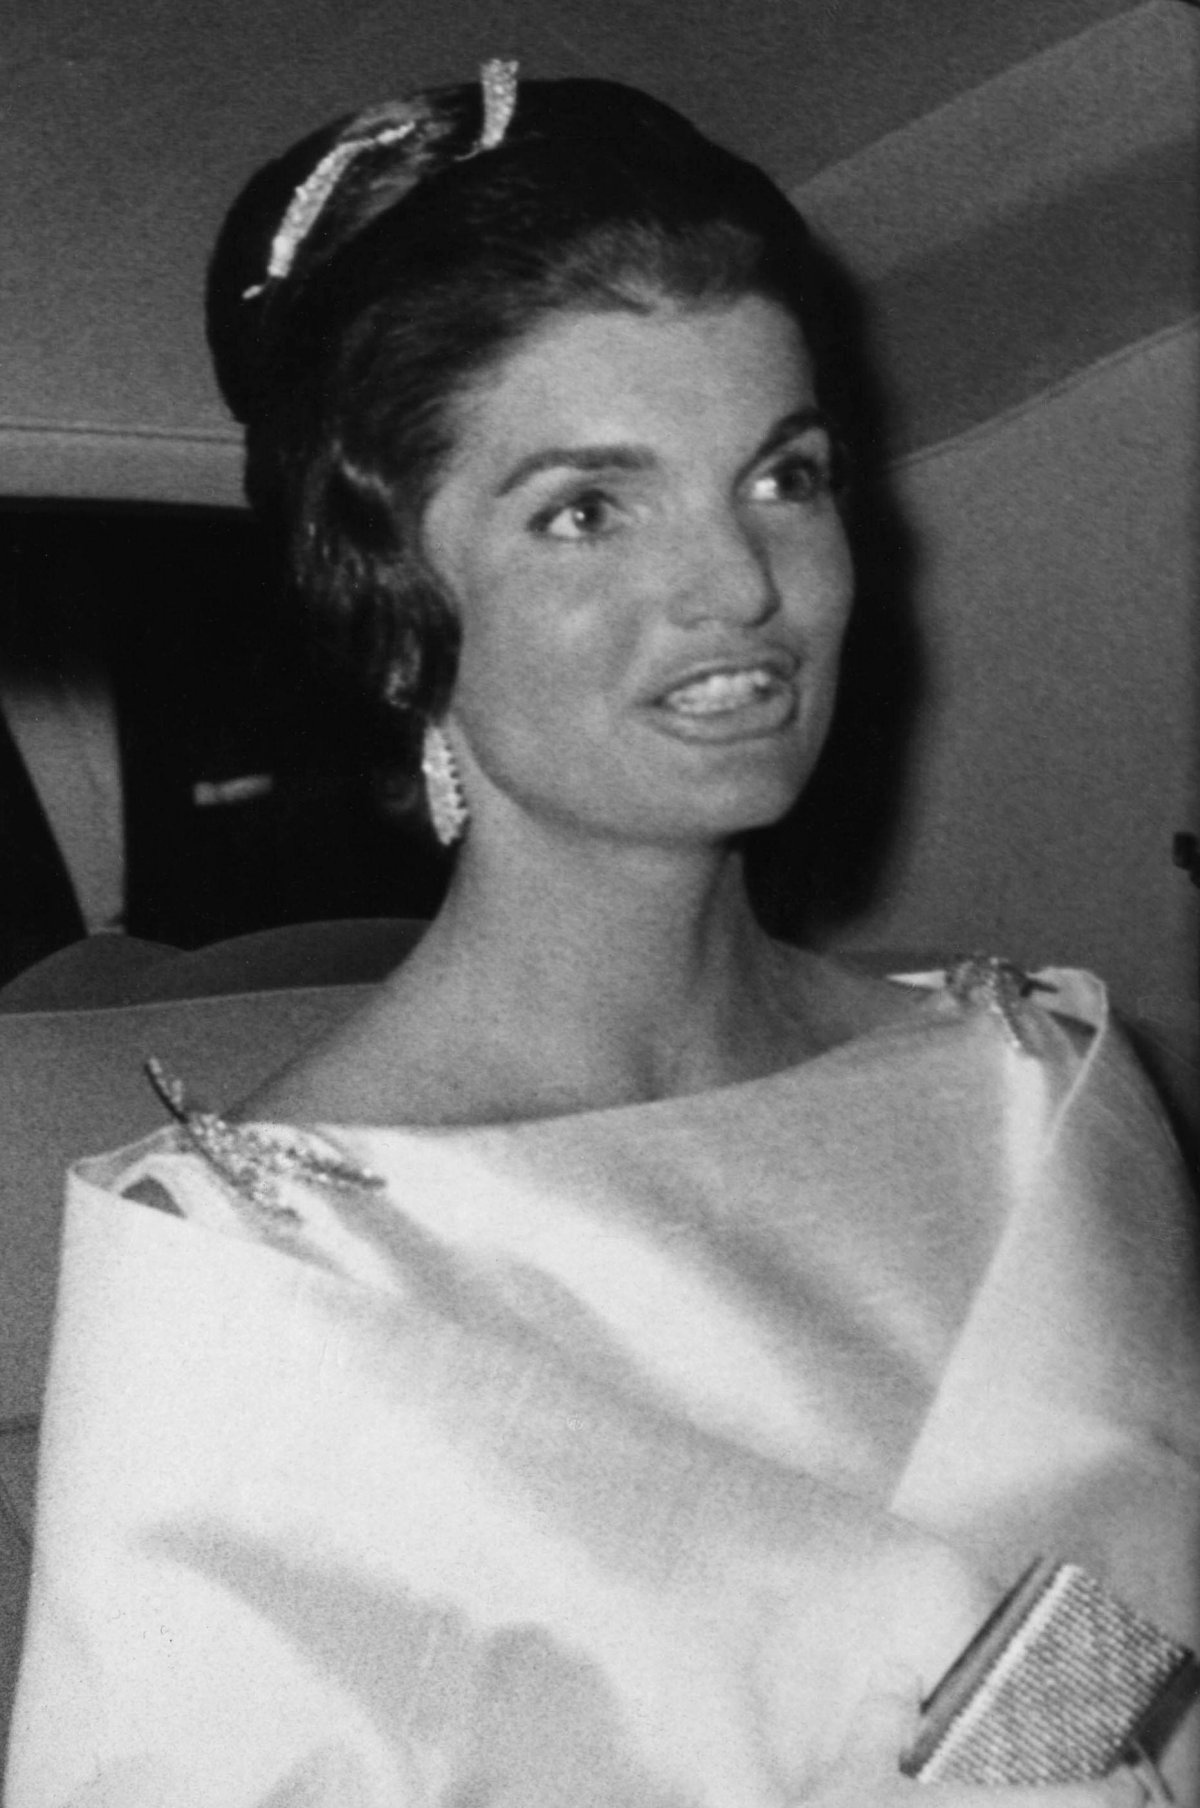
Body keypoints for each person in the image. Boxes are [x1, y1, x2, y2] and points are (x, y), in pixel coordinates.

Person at [7, 63, 1198, 1808]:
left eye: (784, 477)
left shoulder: (1037, 1075)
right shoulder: (252, 1289)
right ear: (399, 610)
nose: (737, 582)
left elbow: (1142, 1681)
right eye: (588, 506)